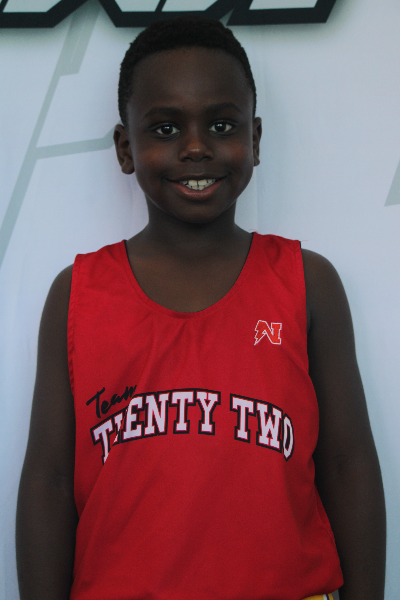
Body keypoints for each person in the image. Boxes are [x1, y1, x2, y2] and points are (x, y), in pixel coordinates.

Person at [16, 16, 386, 600]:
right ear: (125, 148)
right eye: (165, 128)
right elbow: (49, 482)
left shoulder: (307, 282)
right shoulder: (77, 293)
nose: (195, 147)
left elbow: (348, 465)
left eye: (221, 125)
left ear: (255, 139)